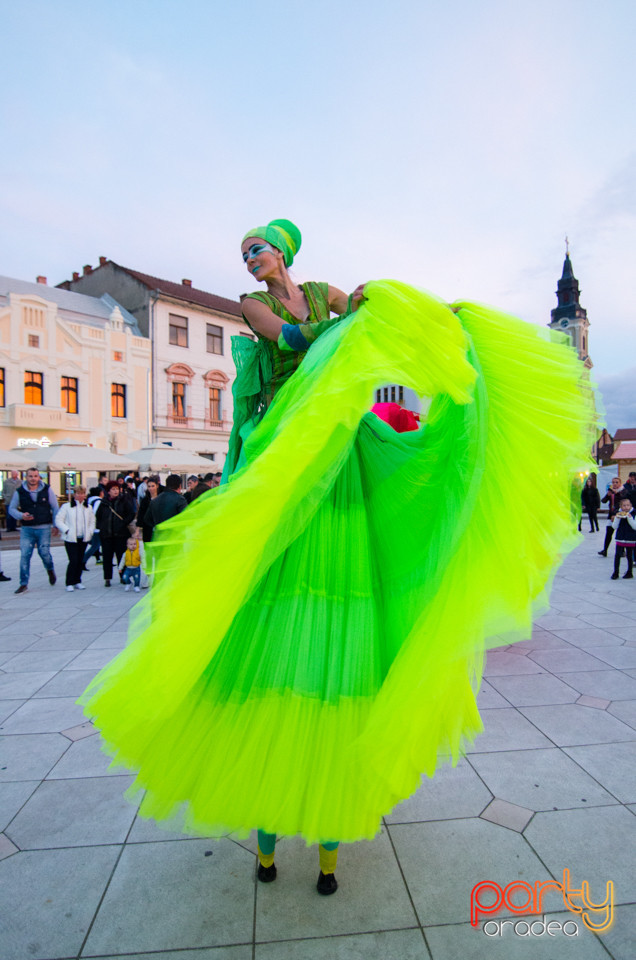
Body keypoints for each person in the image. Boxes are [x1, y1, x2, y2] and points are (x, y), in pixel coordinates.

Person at [80, 218, 596, 897]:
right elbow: (289, 340)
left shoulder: (324, 291)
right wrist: (351, 328)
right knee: (280, 562)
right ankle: (290, 813)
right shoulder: (253, 305)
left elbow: (362, 322)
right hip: (292, 443)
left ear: (285, 252)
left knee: (391, 513)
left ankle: (299, 825)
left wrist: (406, 314)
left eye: (258, 248)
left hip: (342, 450)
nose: (249, 260)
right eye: (244, 254)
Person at [9, 467, 59, 594]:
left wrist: (56, 525)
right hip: (27, 529)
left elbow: (55, 507)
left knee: (44, 553)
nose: (33, 479)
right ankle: (23, 583)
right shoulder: (20, 491)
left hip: (44, 527)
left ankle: (50, 569)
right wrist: (21, 516)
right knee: (25, 555)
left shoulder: (47, 489)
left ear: (39, 477)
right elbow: (12, 509)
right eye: (30, 476)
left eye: (35, 476)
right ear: (26, 477)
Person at [55, 486, 96, 590]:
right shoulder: (66, 507)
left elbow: (92, 521)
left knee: (80, 560)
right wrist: (67, 530)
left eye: (82, 493)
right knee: (73, 560)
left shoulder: (88, 507)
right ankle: (69, 582)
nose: (80, 495)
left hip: (83, 538)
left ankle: (78, 580)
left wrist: (90, 531)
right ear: (74, 495)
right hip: (71, 538)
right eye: (78, 493)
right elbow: (59, 520)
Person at [96, 480, 135, 587]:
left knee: (121, 557)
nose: (115, 491)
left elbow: (131, 513)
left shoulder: (124, 501)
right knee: (107, 557)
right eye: (113, 489)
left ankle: (123, 576)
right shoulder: (103, 503)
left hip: (121, 534)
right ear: (108, 491)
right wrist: (102, 527)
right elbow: (98, 517)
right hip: (106, 535)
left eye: (117, 489)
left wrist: (124, 522)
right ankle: (107, 578)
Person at [599, 476, 627, 556]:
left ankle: (622, 551)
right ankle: (605, 550)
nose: (614, 484)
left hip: (619, 514)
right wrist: (608, 495)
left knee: (621, 533)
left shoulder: (623, 491)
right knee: (608, 533)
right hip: (611, 514)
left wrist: (616, 493)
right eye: (613, 482)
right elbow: (603, 501)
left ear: (620, 483)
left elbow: (623, 501)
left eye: (616, 482)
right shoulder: (611, 491)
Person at [610, 498, 636, 580]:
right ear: (621, 506)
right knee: (617, 555)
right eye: (624, 505)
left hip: (630, 538)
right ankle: (616, 572)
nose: (626, 507)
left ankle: (629, 572)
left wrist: (629, 518)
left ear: (631, 505)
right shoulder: (618, 513)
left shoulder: (634, 513)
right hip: (620, 537)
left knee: (629, 555)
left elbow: (635, 527)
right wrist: (617, 518)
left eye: (628, 505)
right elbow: (614, 526)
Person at [83, 487, 104, 567]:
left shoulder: (89, 500)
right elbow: (94, 513)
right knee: (95, 545)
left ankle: (99, 559)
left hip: (90, 526)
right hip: (96, 527)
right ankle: (83, 561)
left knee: (97, 545)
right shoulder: (98, 501)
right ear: (100, 493)